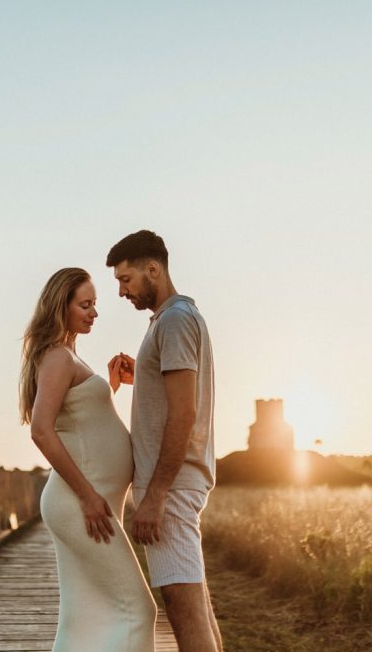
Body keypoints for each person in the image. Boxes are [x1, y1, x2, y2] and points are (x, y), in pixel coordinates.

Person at [20, 267, 157, 651]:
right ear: (59, 306)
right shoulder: (59, 358)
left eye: (94, 304)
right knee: (139, 611)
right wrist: (87, 496)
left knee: (86, 618)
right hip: (81, 504)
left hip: (86, 502)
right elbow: (42, 430)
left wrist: (108, 388)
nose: (95, 312)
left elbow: (80, 421)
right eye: (85, 304)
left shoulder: (67, 356)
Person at [106, 231, 223, 652]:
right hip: (175, 483)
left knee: (182, 605)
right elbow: (175, 396)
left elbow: (184, 414)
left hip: (170, 487)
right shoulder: (174, 320)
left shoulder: (174, 320)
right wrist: (147, 375)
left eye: (126, 279)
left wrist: (154, 497)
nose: (121, 291)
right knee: (195, 603)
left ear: (153, 268)